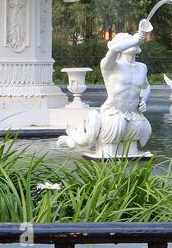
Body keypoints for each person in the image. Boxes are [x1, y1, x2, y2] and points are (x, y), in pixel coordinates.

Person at [58, 19, 153, 158]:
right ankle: (80, 141)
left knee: (133, 148)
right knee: (109, 150)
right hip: (113, 116)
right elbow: (114, 49)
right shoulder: (110, 66)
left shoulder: (141, 67)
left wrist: (143, 99)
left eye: (131, 40)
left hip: (134, 116)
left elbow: (146, 86)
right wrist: (135, 39)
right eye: (125, 40)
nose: (131, 41)